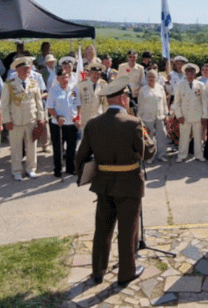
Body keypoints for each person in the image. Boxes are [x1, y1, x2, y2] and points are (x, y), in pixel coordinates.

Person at [75, 76, 155, 286]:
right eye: (127, 96)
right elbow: (148, 154)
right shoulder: (133, 123)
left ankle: (98, 271)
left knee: (102, 229)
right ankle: (126, 273)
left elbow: (80, 157)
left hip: (103, 184)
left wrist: (87, 175)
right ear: (122, 99)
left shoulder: (93, 124)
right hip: (129, 184)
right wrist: (150, 137)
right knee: (128, 231)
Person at [1, 57, 46, 181]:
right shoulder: (9, 84)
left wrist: (41, 119)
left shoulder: (34, 83)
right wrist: (7, 120)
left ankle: (31, 169)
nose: (27, 71)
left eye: (28, 68)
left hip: (31, 120)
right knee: (16, 148)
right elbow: (4, 104)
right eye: (24, 69)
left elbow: (39, 103)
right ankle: (16, 171)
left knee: (31, 146)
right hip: (16, 121)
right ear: (17, 70)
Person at [46, 68, 81, 177]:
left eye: (66, 77)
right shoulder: (53, 90)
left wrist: (78, 119)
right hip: (58, 124)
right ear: (58, 79)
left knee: (72, 148)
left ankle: (70, 168)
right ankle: (58, 169)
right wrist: (57, 117)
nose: (65, 79)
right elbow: (50, 108)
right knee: (58, 148)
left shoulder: (74, 89)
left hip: (72, 123)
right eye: (62, 77)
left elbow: (78, 105)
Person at [172, 63, 208, 163]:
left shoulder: (200, 85)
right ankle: (182, 155)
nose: (190, 75)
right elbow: (177, 103)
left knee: (198, 136)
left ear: (195, 74)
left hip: (197, 115)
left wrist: (204, 116)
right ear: (185, 74)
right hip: (185, 115)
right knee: (184, 136)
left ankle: (199, 155)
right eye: (188, 73)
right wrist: (179, 115)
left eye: (192, 73)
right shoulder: (180, 85)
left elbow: (204, 101)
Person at [138, 70, 171, 162]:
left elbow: (164, 103)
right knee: (149, 137)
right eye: (149, 76)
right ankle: (149, 157)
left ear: (156, 78)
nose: (151, 78)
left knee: (162, 136)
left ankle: (161, 155)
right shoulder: (143, 90)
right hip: (147, 117)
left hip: (160, 116)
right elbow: (140, 104)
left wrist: (166, 115)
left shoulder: (160, 88)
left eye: (153, 76)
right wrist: (139, 118)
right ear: (146, 78)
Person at [76, 59, 107, 130]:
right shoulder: (82, 85)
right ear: (90, 73)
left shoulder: (103, 84)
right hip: (85, 119)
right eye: (94, 74)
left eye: (98, 74)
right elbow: (77, 103)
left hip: (99, 119)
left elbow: (105, 104)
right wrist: (78, 118)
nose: (96, 76)